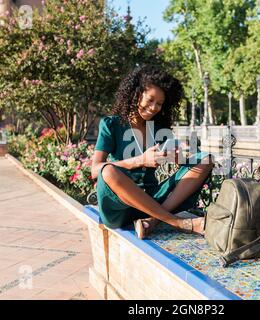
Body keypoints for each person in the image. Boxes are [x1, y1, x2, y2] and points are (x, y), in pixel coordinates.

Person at [91, 65, 214, 239]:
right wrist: (139, 160)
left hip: (154, 199)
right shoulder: (111, 124)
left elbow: (183, 165)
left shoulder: (159, 129)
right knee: (108, 171)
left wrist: (180, 157)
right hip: (120, 206)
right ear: (136, 94)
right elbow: (95, 170)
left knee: (205, 159)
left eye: (159, 104)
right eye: (150, 100)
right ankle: (178, 222)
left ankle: (152, 221)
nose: (154, 107)